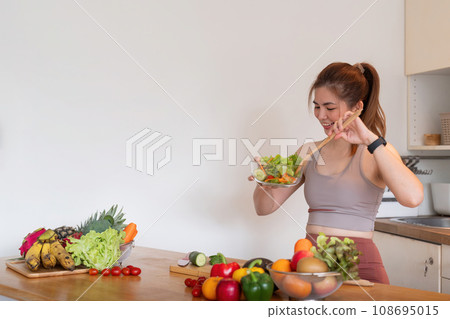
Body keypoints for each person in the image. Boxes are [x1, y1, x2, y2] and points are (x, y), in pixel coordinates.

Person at [250, 62, 424, 284]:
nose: (321, 115)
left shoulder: (376, 151)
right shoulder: (308, 152)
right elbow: (264, 208)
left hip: (361, 267)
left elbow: (413, 198)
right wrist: (264, 180)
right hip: (310, 265)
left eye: (329, 108)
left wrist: (370, 139)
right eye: (317, 106)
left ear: (357, 107)